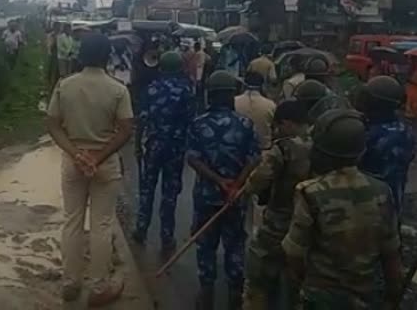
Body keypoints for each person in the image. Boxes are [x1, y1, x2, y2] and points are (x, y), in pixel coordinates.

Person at [282, 109, 404, 309]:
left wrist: (301, 288)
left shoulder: (310, 192)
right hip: (364, 296)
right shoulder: (382, 190)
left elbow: (294, 253)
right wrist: (393, 296)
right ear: (360, 151)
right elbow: (391, 253)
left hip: (320, 298)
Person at [46, 33, 134, 307]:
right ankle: (98, 288)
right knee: (102, 225)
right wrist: (98, 156)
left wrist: (76, 154)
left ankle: (70, 284)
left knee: (72, 221)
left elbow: (52, 124)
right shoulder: (118, 89)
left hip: (74, 163)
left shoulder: (64, 86)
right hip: (104, 165)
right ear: (107, 56)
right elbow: (125, 130)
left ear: (81, 55)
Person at [186, 70, 261, 309]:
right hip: (236, 198)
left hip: (207, 196)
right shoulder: (246, 124)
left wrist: (218, 181)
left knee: (205, 244)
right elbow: (254, 159)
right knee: (235, 244)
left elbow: (193, 159)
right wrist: (235, 184)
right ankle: (234, 295)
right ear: (231, 95)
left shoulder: (198, 123)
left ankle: (206, 293)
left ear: (210, 95)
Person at [243, 99, 311, 310]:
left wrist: (244, 191)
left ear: (288, 123)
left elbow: (258, 181)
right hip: (307, 224)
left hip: (279, 221)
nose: (277, 130)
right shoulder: (320, 144)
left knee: (260, 273)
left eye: (279, 125)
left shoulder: (282, 149)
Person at [133, 51, 196, 252]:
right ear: (179, 68)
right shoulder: (186, 90)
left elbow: (141, 120)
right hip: (175, 149)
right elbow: (190, 123)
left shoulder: (150, 89)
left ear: (160, 67)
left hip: (152, 146)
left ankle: (141, 229)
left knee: (147, 189)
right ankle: (167, 237)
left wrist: (137, 145)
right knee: (170, 194)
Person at [357, 76, 416, 220]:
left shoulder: (370, 136)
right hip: (394, 201)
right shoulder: (405, 131)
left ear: (374, 103)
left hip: (369, 205)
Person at [234, 72, 276, 149]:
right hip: (264, 149)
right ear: (262, 86)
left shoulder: (234, 101)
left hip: (239, 150)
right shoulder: (270, 104)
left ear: (243, 85)